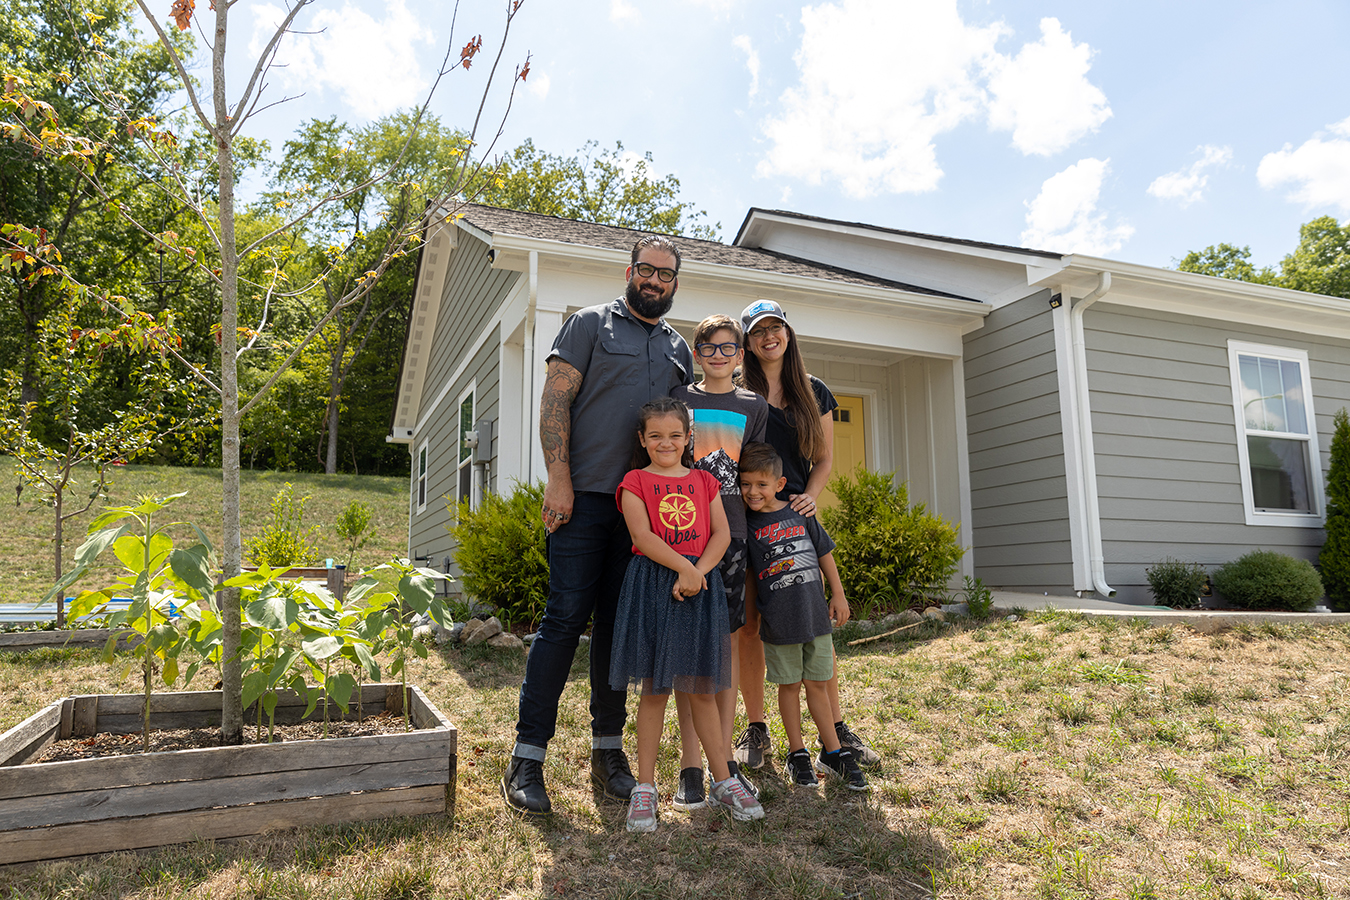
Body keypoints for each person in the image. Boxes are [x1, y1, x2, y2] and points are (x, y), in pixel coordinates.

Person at [502, 236, 694, 816]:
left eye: (665, 274)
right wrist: (558, 477)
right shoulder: (588, 324)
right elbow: (554, 402)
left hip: (643, 510)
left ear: (675, 283)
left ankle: (607, 753)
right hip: (583, 499)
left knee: (617, 627)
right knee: (562, 621)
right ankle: (527, 757)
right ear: (629, 271)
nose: (654, 280)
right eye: (646, 269)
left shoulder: (679, 348)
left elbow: (679, 433)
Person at [733, 299, 881, 772]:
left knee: (813, 624)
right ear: (747, 341)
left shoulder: (813, 390)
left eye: (775, 327)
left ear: (788, 333)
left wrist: (811, 497)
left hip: (794, 518)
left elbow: (823, 460)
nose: (768, 337)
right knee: (751, 625)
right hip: (746, 518)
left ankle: (834, 729)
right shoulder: (737, 390)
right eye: (757, 331)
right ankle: (756, 728)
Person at [610, 397, 764, 832]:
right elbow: (641, 534)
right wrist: (684, 567)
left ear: (687, 438)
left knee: (701, 689)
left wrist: (697, 572)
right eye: (656, 436)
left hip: (698, 587)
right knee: (655, 690)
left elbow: (721, 533)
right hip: (654, 585)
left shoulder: (704, 480)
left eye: (675, 435)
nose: (666, 443)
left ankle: (723, 780)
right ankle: (645, 788)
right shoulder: (635, 480)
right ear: (642, 440)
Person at [668, 315, 769, 810]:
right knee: (690, 648)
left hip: (732, 538)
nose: (719, 357)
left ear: (740, 356)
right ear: (697, 352)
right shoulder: (680, 401)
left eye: (729, 349)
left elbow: (755, 474)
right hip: (684, 536)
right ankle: (690, 762)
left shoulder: (754, 406)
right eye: (709, 348)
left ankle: (723, 764)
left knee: (726, 649)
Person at [739, 441, 867, 792]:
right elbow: (750, 576)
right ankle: (797, 753)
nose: (753, 492)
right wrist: (753, 618)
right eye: (746, 483)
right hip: (779, 623)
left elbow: (824, 553)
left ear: (780, 484)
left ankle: (834, 752)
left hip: (815, 617)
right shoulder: (746, 526)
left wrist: (838, 595)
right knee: (789, 686)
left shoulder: (800, 512)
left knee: (818, 685)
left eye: (762, 484)